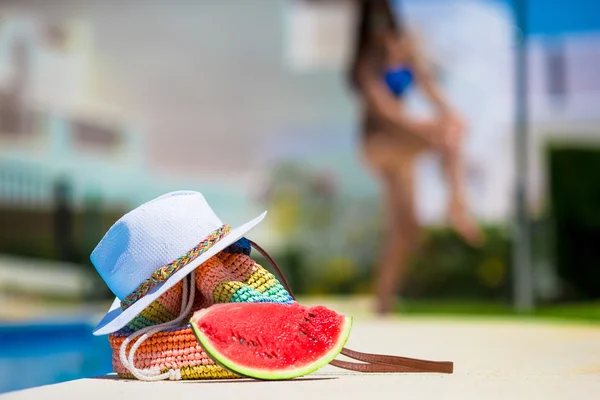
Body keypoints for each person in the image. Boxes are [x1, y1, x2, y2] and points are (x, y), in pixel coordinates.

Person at [347, 0, 483, 315]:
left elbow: (429, 86)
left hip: (401, 144)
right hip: (378, 143)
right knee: (447, 139)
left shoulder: (405, 50)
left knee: (407, 229)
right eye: (374, 21)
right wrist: (432, 125)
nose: (380, 27)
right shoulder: (367, 61)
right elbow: (384, 110)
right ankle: (457, 205)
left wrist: (450, 113)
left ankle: (382, 301)